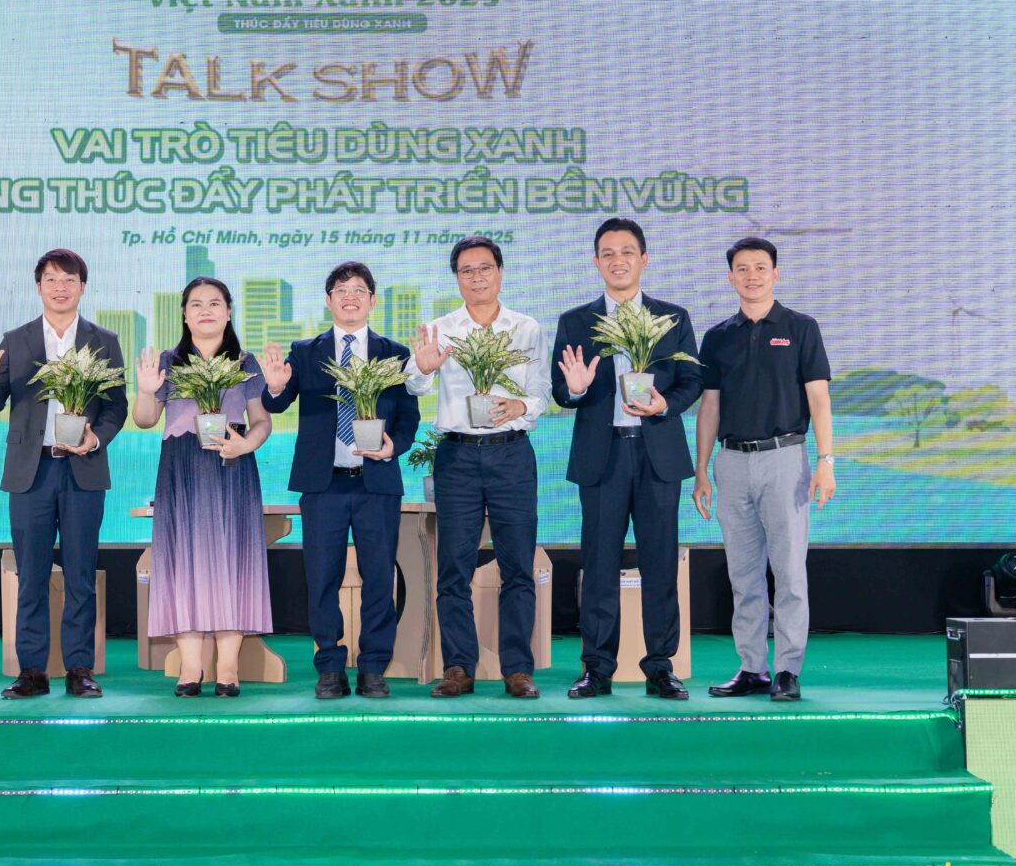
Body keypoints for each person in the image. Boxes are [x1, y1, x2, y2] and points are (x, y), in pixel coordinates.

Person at [552, 218, 702, 700]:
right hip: (603, 455)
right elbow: (560, 390)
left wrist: (665, 405)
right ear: (596, 262)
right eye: (608, 253)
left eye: (627, 252)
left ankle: (661, 667)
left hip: (658, 454)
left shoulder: (672, 317)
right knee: (599, 564)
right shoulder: (575, 321)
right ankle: (597, 668)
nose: (618, 261)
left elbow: (692, 381)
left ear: (644, 259)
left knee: (661, 563)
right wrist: (575, 390)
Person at [0, 248, 127, 699]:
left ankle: (80, 668)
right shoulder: (16, 340)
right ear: (38, 287)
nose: (61, 288)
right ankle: (32, 671)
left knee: (80, 575)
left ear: (83, 287)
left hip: (82, 469)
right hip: (31, 472)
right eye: (52, 280)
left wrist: (95, 439)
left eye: (69, 280)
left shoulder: (104, 341)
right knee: (32, 576)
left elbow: (116, 408)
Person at [260, 261, 420, 699]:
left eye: (359, 290)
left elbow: (408, 417)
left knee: (379, 577)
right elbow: (277, 405)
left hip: (376, 483)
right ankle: (329, 666)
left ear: (373, 300)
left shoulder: (394, 354)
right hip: (323, 484)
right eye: (341, 290)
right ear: (328, 301)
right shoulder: (305, 351)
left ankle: (373, 667)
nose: (350, 297)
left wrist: (394, 446)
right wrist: (274, 388)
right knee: (322, 578)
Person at [405, 236, 551, 699]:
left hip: (512, 453)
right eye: (466, 270)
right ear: (457, 278)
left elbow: (542, 392)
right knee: (454, 568)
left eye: (485, 268)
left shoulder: (526, 328)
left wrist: (521, 406)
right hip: (458, 457)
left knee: (518, 567)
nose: (477, 277)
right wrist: (423, 369)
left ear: (500, 273)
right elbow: (414, 386)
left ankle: (518, 670)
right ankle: (458, 668)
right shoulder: (440, 329)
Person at [693, 237, 835, 702]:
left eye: (760, 267)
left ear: (776, 274)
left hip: (785, 459)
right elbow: (709, 407)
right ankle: (752, 667)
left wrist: (826, 462)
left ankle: (788, 670)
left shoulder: (800, 328)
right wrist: (701, 470)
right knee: (744, 574)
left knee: (789, 572)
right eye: (742, 268)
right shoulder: (718, 336)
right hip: (731, 463)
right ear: (730, 277)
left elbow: (819, 399)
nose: (751, 276)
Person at [133, 277, 273, 698]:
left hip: (232, 462)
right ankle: (190, 667)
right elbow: (144, 419)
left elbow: (261, 420)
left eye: (215, 303)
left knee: (234, 560)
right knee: (182, 561)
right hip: (182, 466)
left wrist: (247, 444)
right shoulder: (168, 361)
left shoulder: (245, 362)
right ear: (184, 314)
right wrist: (146, 391)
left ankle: (228, 667)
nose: (206, 310)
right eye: (196, 304)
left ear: (228, 312)